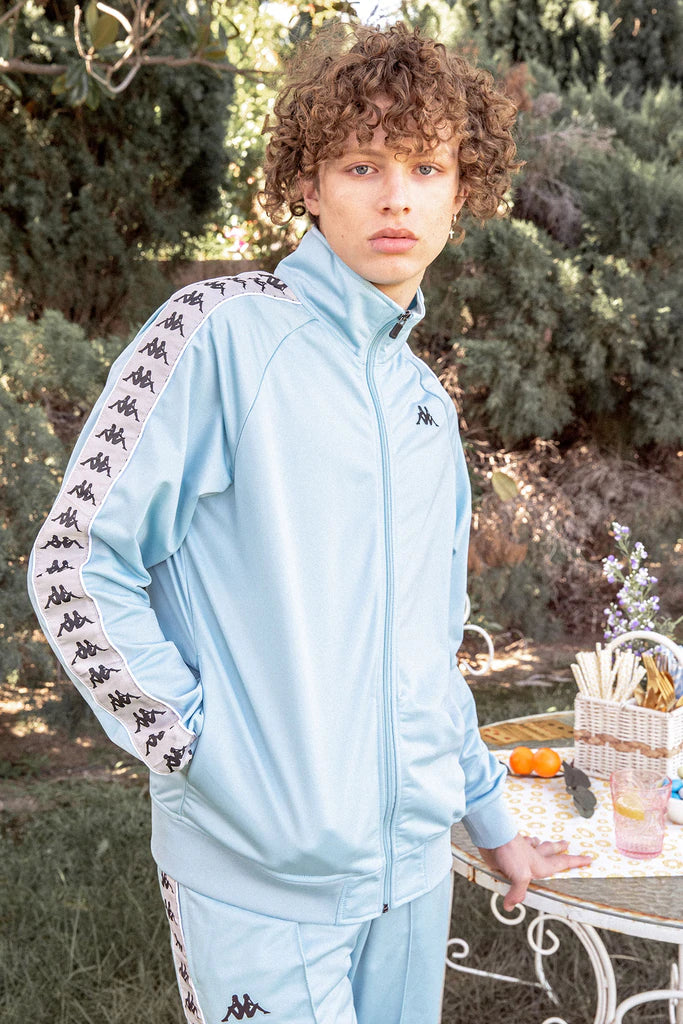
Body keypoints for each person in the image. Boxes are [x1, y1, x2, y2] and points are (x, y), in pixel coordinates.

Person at [28, 22, 590, 1024]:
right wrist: (200, 749)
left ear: (461, 193)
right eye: (362, 165)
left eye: (425, 167)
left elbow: (427, 649)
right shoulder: (217, 334)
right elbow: (74, 562)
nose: (395, 197)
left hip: (412, 879)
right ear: (307, 182)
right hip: (257, 882)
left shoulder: (424, 405)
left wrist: (488, 818)